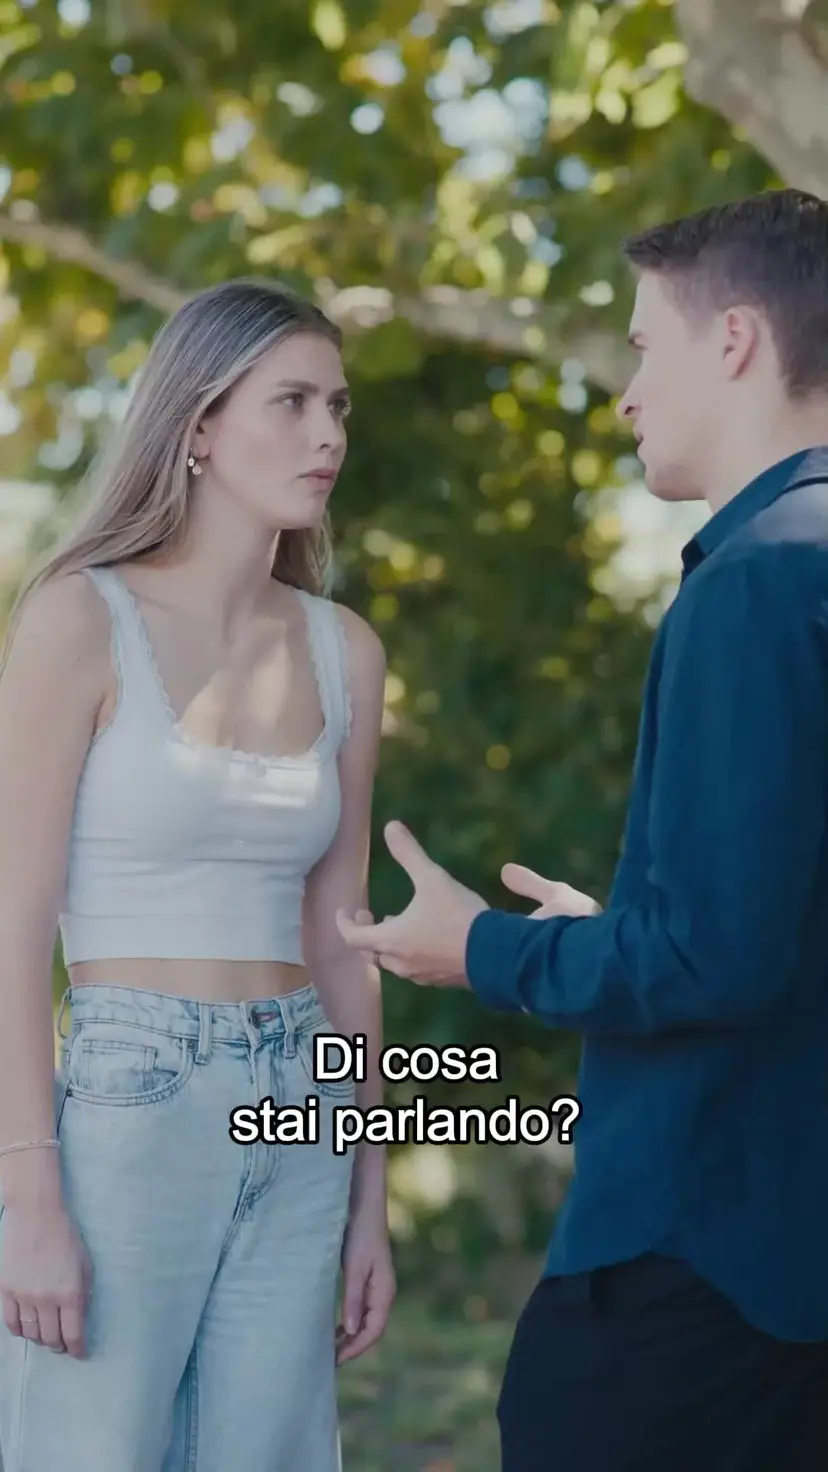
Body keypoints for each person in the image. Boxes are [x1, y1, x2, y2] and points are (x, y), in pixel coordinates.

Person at [338, 188, 828, 1471]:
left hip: (711, 1264)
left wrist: (482, 947)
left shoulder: (760, 580)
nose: (627, 393)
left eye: (644, 345)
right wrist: (620, 933)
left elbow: (716, 958)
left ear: (734, 339)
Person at [0, 277, 395, 1472]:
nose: (328, 434)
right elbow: (13, 925)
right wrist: (29, 1193)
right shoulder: (79, 617)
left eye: (337, 405)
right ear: (201, 424)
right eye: (292, 401)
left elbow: (342, 943)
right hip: (131, 1092)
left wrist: (369, 1201)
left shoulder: (343, 648)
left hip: (303, 1096)